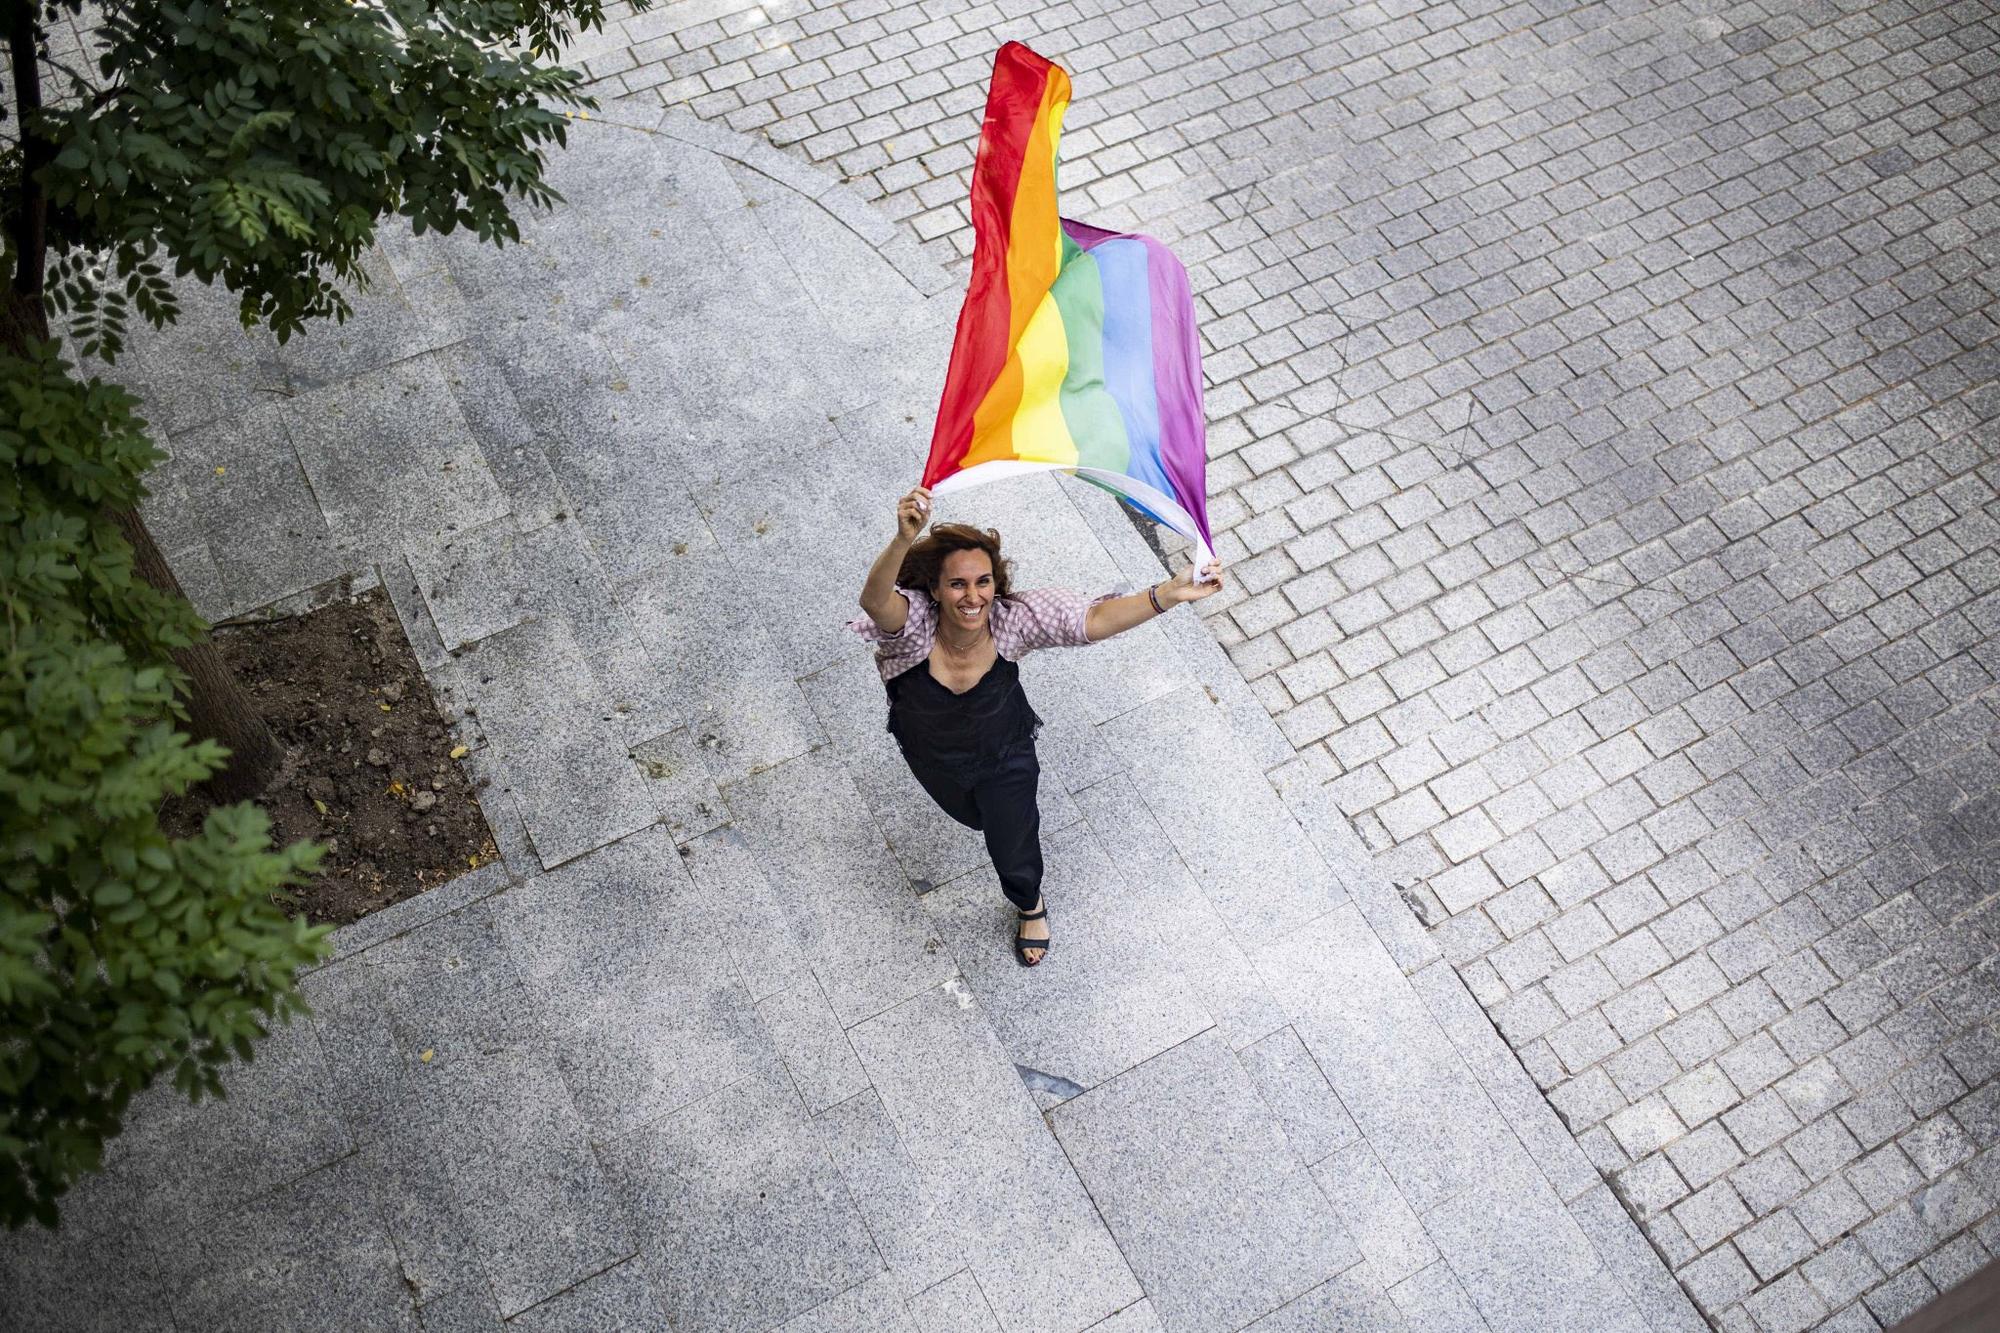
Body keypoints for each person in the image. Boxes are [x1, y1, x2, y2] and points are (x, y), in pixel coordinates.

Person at [851, 485, 1223, 966]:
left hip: (1005, 755)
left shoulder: (1013, 622)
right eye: (958, 584)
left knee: (1010, 842)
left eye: (983, 582)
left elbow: (1093, 621)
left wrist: (1167, 594)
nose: (972, 596)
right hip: (930, 755)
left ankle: (1031, 904)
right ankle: (999, 832)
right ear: (936, 591)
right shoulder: (914, 625)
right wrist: (903, 538)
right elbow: (874, 600)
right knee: (974, 818)